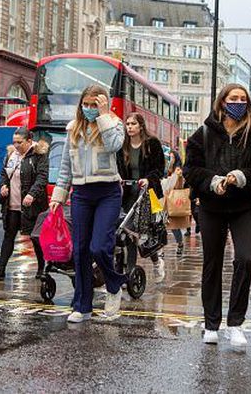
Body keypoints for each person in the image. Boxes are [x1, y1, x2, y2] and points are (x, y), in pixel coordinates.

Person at [183, 83, 251, 346]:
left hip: (243, 207)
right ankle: (211, 324)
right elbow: (191, 169)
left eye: (243, 99)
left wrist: (241, 177)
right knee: (212, 262)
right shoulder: (203, 134)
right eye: (233, 98)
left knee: (245, 259)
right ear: (222, 102)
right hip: (212, 206)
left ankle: (235, 323)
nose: (238, 102)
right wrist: (213, 181)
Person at [49, 85, 126, 323]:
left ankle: (114, 284)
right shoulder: (73, 129)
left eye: (96, 104)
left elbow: (115, 146)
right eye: (87, 104)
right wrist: (58, 196)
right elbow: (65, 166)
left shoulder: (114, 124)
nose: (90, 109)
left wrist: (104, 116)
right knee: (80, 250)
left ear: (104, 104)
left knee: (99, 247)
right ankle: (82, 305)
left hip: (108, 192)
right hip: (81, 193)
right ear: (81, 104)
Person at [0, 127, 48, 280]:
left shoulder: (39, 155)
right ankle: (0, 269)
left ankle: (41, 268)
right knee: (9, 236)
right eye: (14, 142)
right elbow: (3, 174)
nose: (17, 145)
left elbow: (42, 177)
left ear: (29, 141)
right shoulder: (11, 155)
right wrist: (3, 186)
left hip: (31, 205)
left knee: (35, 237)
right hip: (12, 204)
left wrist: (32, 194)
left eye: (20, 142)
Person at [116, 113, 166, 277]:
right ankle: (129, 271)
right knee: (129, 232)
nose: (129, 127)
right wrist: (119, 179)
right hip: (129, 195)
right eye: (127, 124)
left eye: (133, 124)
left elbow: (159, 169)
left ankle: (156, 260)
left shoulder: (152, 144)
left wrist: (148, 179)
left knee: (145, 234)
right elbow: (118, 168)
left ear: (141, 126)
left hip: (148, 194)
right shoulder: (122, 145)